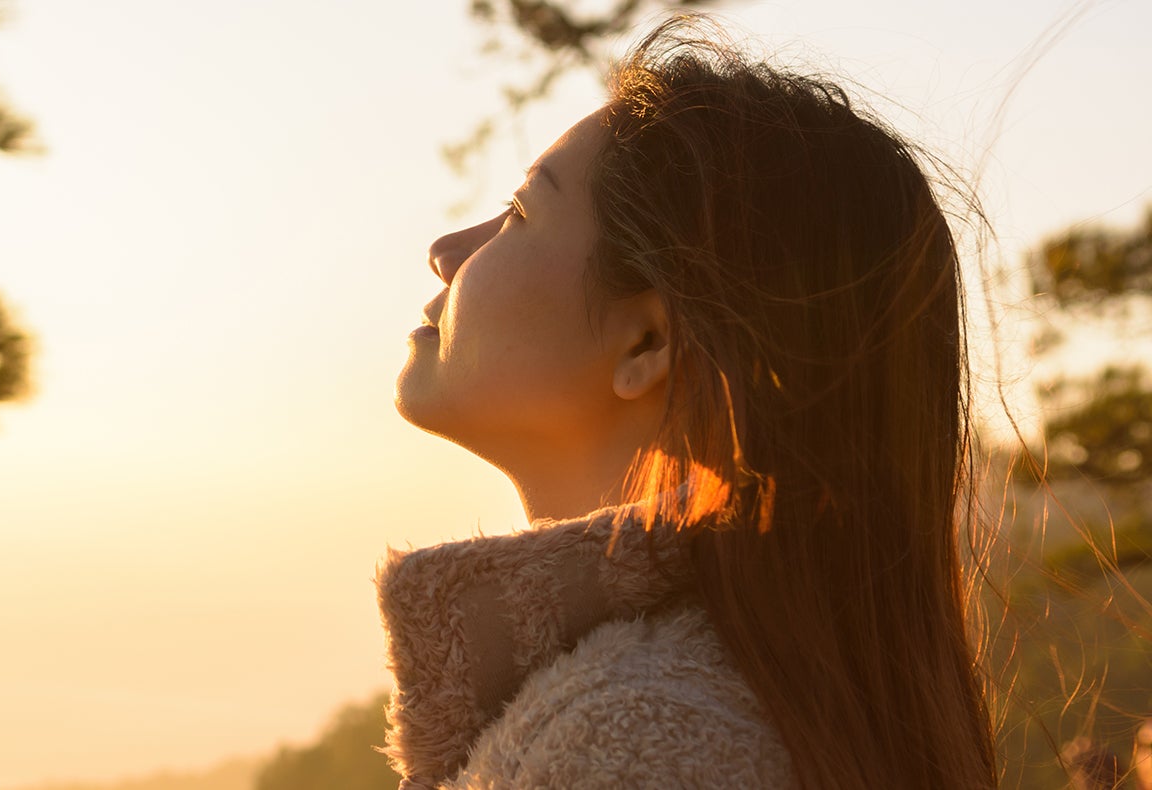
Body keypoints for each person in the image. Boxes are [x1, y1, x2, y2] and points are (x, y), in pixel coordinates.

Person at [381, 13, 997, 790]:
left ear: (646, 344)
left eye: (522, 212)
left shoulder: (634, 740)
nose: (447, 252)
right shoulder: (671, 705)